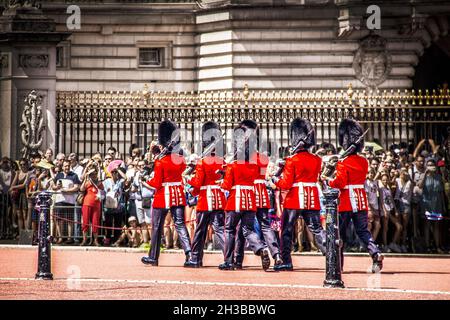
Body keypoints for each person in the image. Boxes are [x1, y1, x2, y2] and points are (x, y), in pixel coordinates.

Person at [326, 119, 383, 273]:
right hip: (360, 199)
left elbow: (340, 183)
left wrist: (327, 180)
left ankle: (338, 265)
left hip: (346, 201)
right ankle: (375, 253)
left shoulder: (343, 162)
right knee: (363, 231)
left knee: (340, 235)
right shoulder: (364, 161)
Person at [272, 118, 325, 271]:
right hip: (311, 197)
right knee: (316, 229)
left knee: (287, 230)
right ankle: (331, 254)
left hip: (295, 199)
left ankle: (286, 261)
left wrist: (275, 179)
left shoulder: (292, 160)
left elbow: (286, 184)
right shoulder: (317, 159)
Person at [218, 123, 271, 271]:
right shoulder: (254, 166)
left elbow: (227, 186)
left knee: (229, 230)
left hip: (236, 201)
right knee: (248, 230)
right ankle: (260, 248)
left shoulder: (233, 165)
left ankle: (228, 261)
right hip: (250, 201)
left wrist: (221, 180)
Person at [141, 120, 192, 267]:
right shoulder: (180, 159)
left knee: (157, 226)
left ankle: (153, 257)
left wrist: (145, 181)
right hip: (177, 194)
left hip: (163, 195)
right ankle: (189, 254)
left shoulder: (160, 162)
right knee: (180, 225)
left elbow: (156, 183)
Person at [239, 119, 282, 267]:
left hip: (250, 192)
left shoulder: (243, 159)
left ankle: (260, 248)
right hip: (262, 192)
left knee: (247, 227)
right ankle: (276, 255)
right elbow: (264, 176)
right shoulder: (263, 158)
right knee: (266, 226)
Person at [184, 121, 226, 268]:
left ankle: (196, 259)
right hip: (218, 199)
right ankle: (229, 257)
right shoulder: (222, 161)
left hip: (205, 200)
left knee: (200, 230)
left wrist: (189, 181)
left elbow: (198, 182)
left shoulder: (202, 162)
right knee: (220, 230)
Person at [419, 159, 447, 253]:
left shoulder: (438, 177)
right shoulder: (423, 175)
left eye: (432, 165)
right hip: (427, 203)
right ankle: (427, 247)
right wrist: (425, 173)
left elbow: (441, 192)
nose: (431, 166)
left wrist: (443, 205)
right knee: (427, 225)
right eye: (429, 165)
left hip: (437, 203)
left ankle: (437, 246)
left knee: (436, 225)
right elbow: (419, 186)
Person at [51, 160, 81, 245]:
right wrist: (57, 187)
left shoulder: (74, 175)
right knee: (58, 220)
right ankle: (60, 237)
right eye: (65, 166)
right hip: (59, 200)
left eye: (68, 166)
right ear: (62, 167)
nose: (66, 167)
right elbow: (53, 186)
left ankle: (69, 238)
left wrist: (66, 190)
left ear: (70, 166)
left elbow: (76, 187)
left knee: (69, 220)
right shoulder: (58, 175)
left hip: (70, 201)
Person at [79, 164, 104, 246]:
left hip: (97, 204)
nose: (93, 175)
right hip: (87, 203)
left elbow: (103, 192)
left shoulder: (99, 182)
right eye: (91, 174)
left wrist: (100, 197)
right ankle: (84, 240)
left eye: (94, 173)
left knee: (95, 223)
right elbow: (82, 189)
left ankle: (95, 240)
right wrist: (86, 179)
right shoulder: (87, 181)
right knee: (85, 222)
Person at [9, 158, 30, 238]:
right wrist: (13, 186)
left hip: (24, 194)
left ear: (27, 164)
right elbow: (12, 184)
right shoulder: (18, 173)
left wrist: (13, 187)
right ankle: (21, 233)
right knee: (19, 215)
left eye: (24, 164)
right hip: (17, 196)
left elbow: (24, 185)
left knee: (25, 214)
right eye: (20, 164)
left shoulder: (28, 173)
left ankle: (26, 233)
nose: (22, 166)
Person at [395, 168, 413, 252]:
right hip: (397, 203)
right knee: (399, 226)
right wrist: (396, 174)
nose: (404, 173)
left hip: (406, 204)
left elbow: (415, 184)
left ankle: (403, 244)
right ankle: (397, 244)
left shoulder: (410, 182)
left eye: (405, 171)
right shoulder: (397, 180)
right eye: (402, 171)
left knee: (404, 226)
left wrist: (409, 177)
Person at [365, 168, 381, 243]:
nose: (370, 174)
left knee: (378, 225)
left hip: (376, 206)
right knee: (369, 226)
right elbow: (366, 197)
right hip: (370, 208)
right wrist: (370, 208)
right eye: (369, 173)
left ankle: (372, 242)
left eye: (372, 172)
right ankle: (368, 242)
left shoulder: (375, 182)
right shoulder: (366, 183)